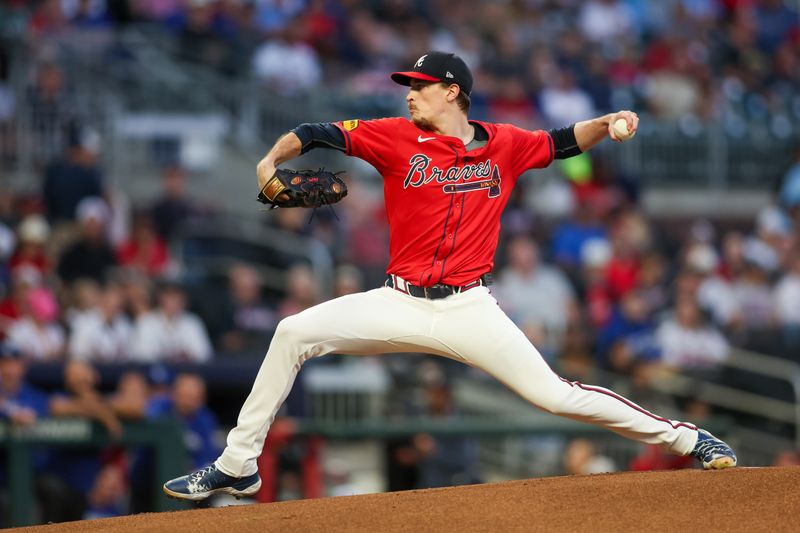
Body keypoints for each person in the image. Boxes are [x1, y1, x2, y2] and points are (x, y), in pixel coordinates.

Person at [163, 51, 737, 500]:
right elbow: (315, 131)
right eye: (408, 87)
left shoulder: (505, 144)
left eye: (418, 86)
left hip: (469, 308)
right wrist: (269, 164)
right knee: (292, 332)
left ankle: (687, 437)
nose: (409, 94)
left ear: (452, 91)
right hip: (400, 300)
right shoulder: (393, 135)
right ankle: (238, 466)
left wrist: (609, 119)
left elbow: (563, 142)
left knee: (556, 396)